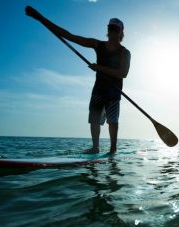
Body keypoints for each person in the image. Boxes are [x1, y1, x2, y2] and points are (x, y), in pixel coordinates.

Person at [26, 6, 131, 154]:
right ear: (108, 30)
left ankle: (113, 149)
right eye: (110, 28)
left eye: (115, 28)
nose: (112, 31)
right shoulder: (97, 44)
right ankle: (95, 148)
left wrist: (99, 68)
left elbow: (123, 73)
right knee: (94, 119)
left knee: (112, 121)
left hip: (114, 92)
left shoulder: (125, 52)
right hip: (98, 90)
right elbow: (69, 36)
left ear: (121, 32)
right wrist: (40, 18)